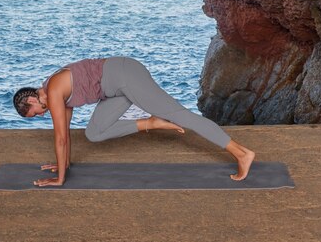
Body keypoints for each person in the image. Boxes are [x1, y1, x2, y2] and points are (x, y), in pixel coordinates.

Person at [13, 56, 255, 187]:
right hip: (115, 91)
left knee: (180, 115)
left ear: (32, 100)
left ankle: (241, 153)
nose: (41, 115)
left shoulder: (53, 90)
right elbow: (64, 131)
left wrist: (60, 180)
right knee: (94, 133)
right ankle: (151, 122)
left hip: (126, 76)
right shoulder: (55, 90)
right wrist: (62, 164)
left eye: (36, 113)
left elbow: (61, 138)